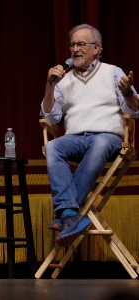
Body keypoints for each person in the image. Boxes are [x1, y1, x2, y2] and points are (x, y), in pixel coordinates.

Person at [40, 24, 139, 247]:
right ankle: (70, 214)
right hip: (75, 137)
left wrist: (127, 92)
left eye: (81, 44)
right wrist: (49, 85)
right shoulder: (63, 80)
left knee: (101, 142)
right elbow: (50, 118)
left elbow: (136, 110)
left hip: (108, 137)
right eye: (72, 44)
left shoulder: (113, 72)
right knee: (54, 147)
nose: (75, 49)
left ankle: (65, 212)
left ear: (96, 48)